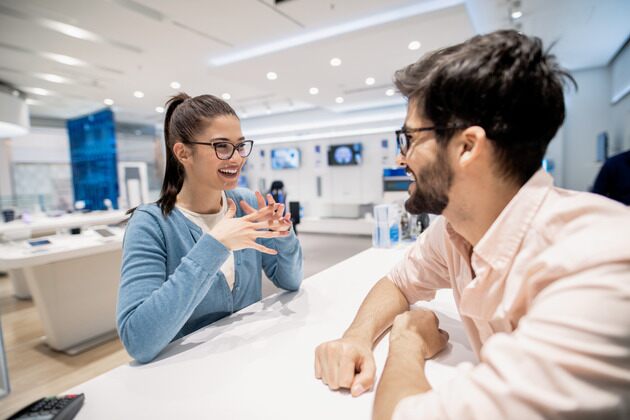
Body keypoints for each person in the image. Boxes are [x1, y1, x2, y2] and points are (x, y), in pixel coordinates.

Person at [314, 30, 630, 419]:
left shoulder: (599, 268)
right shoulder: (455, 230)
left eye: (409, 139)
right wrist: (356, 338)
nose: (401, 159)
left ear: (467, 146)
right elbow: (398, 281)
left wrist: (408, 340)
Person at [117, 93, 303, 363]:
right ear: (183, 153)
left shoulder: (246, 203)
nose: (237, 158)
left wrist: (284, 236)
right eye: (221, 147)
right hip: (187, 375)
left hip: (250, 361)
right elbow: (138, 341)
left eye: (240, 146)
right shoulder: (151, 224)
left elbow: (291, 281)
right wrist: (215, 245)